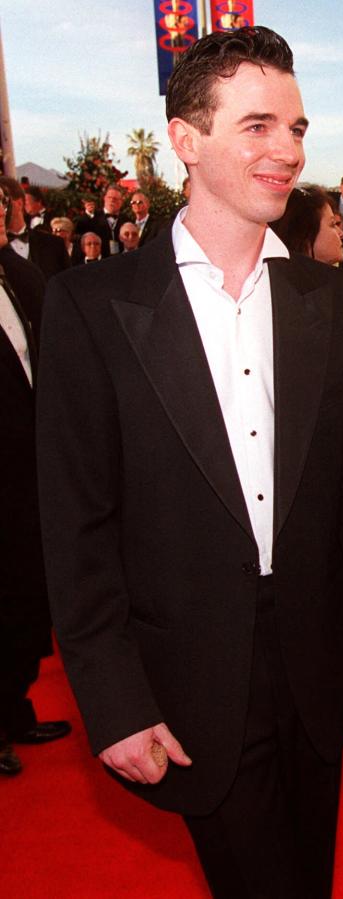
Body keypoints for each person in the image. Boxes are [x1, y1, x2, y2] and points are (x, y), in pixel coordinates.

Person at [36, 27, 343, 898]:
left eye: (297, 129)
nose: (289, 151)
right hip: (185, 675)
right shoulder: (92, 305)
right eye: (259, 126)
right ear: (186, 140)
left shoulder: (324, 298)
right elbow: (77, 527)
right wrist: (112, 699)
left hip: (313, 661)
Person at [0, 187, 72, 778]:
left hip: (28, 467)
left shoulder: (16, 275)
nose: (2, 214)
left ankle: (14, 707)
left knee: (24, 591)